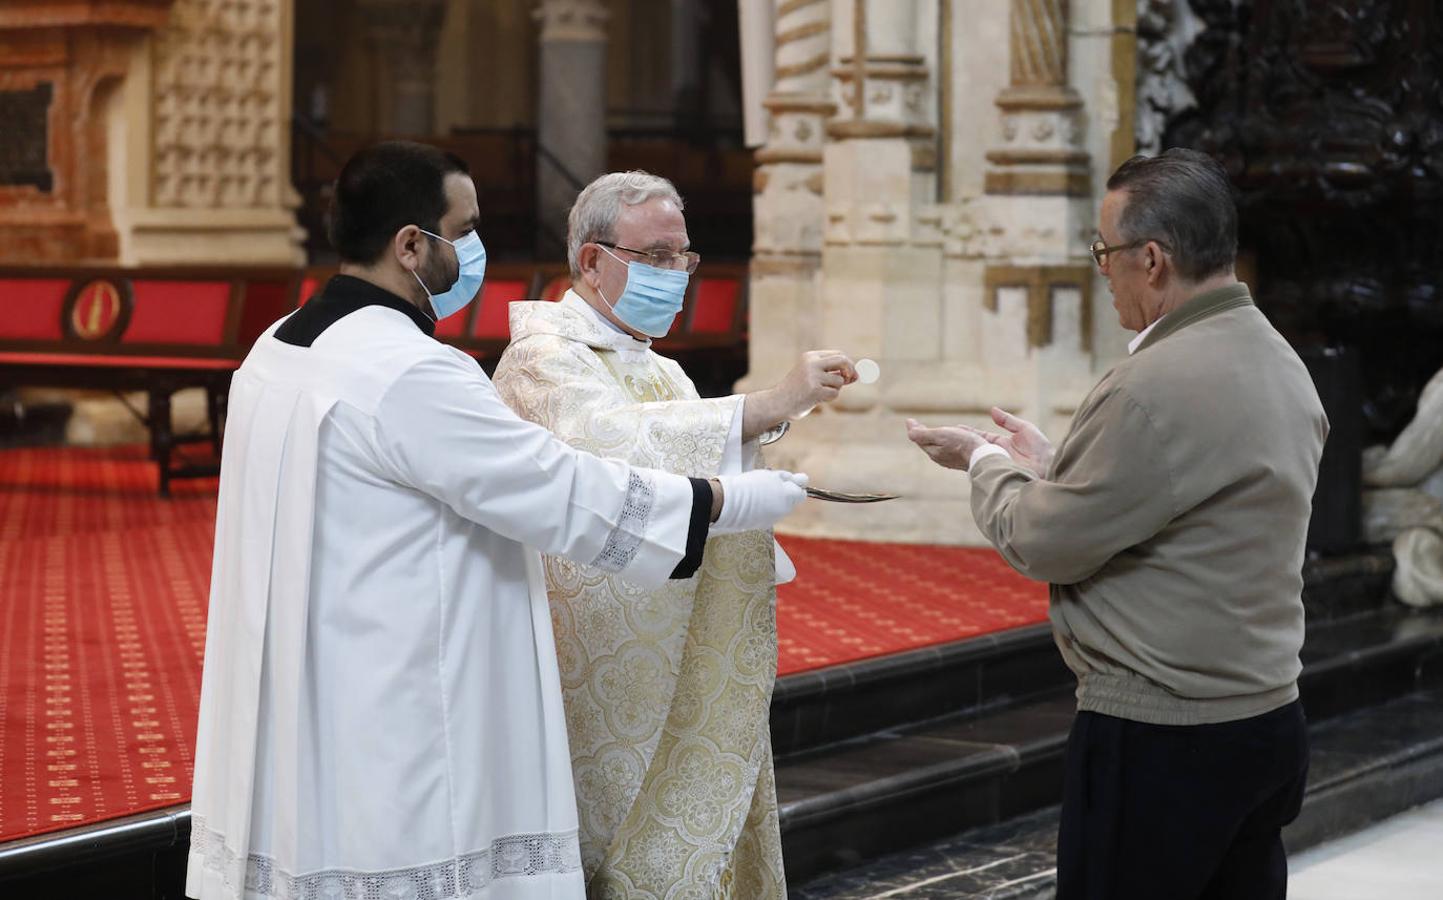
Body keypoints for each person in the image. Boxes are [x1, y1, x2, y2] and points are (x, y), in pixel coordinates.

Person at [185, 142, 810, 900]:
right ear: (410, 244)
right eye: (466, 228)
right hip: (401, 676)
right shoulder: (411, 370)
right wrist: (727, 501)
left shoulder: (277, 347)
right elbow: (558, 492)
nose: (478, 249)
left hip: (306, 656)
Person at [906, 149, 1328, 900]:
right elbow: (1185, 498)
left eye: (1104, 252)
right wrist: (1054, 464)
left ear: (1153, 259)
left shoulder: (1150, 384)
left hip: (1166, 734)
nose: (1101, 270)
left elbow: (1043, 543)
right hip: (1267, 716)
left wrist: (982, 463)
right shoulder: (1277, 357)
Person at [492, 170, 854, 898]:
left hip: (680, 639)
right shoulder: (542, 358)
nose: (674, 275)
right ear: (591, 262)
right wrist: (764, 405)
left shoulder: (660, 369)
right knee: (620, 836)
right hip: (600, 655)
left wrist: (765, 426)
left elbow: (685, 447)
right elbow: (609, 452)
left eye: (681, 257)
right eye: (654, 256)